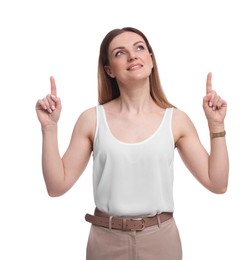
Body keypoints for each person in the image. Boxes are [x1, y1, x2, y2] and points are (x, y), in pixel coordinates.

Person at [36, 27, 229, 260]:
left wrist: (216, 126)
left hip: (161, 241)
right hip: (105, 241)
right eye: (120, 53)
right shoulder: (92, 119)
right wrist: (49, 128)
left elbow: (217, 183)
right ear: (109, 70)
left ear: (151, 60)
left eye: (139, 48)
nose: (132, 55)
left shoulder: (176, 120)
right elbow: (56, 187)